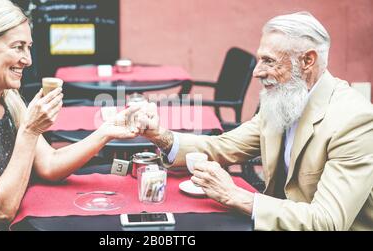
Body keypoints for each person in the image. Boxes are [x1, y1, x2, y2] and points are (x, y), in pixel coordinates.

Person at [135, 12, 373, 230]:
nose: (256, 72)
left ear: (307, 61)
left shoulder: (353, 121)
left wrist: (236, 196)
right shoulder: (283, 102)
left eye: (269, 61)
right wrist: (159, 136)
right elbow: (221, 147)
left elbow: (327, 222)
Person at [0, 0, 138, 231]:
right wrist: (30, 130)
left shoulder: (8, 100)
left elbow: (49, 164)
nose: (28, 59)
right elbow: (1, 210)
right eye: (18, 47)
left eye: (29, 47)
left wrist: (105, 132)